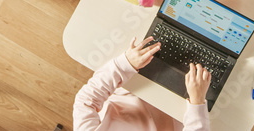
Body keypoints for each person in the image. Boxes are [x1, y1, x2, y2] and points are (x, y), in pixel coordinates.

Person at [73, 37, 211, 131]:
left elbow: (85, 102)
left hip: (135, 83)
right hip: (177, 107)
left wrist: (124, 64)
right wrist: (197, 102)